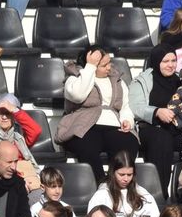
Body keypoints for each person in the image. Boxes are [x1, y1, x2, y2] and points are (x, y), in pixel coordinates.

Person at [58, 45, 138, 178]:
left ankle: (119, 185)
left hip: (113, 125)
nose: (109, 67)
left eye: (109, 63)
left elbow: (125, 105)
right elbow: (78, 95)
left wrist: (127, 120)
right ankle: (100, 184)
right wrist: (89, 68)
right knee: (87, 146)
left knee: (128, 142)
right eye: (103, 65)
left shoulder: (117, 80)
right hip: (84, 126)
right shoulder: (74, 78)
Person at [87, 151, 160, 217]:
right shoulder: (102, 194)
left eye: (129, 175)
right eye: (121, 175)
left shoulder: (141, 192)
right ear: (113, 173)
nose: (126, 179)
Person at [0, 93, 43, 172]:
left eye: (8, 113)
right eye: (1, 113)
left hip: (24, 176)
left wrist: (15, 110)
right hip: (2, 179)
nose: (4, 117)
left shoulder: (19, 136)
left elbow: (35, 131)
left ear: (14, 115)